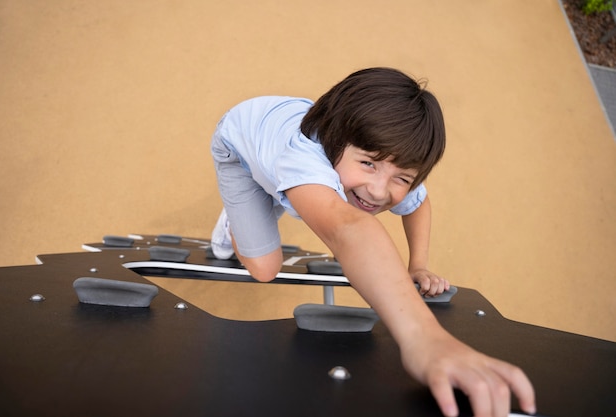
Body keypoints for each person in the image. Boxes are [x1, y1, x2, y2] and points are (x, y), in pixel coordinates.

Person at [209, 67, 536, 417]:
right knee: (264, 268)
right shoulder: (303, 158)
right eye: (368, 164)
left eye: (401, 178)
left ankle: (276, 194)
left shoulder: (380, 158)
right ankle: (239, 216)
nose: (379, 191)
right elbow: (350, 230)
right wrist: (424, 339)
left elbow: (418, 204)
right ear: (335, 140)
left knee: (321, 195)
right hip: (239, 145)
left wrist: (418, 265)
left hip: (277, 139)